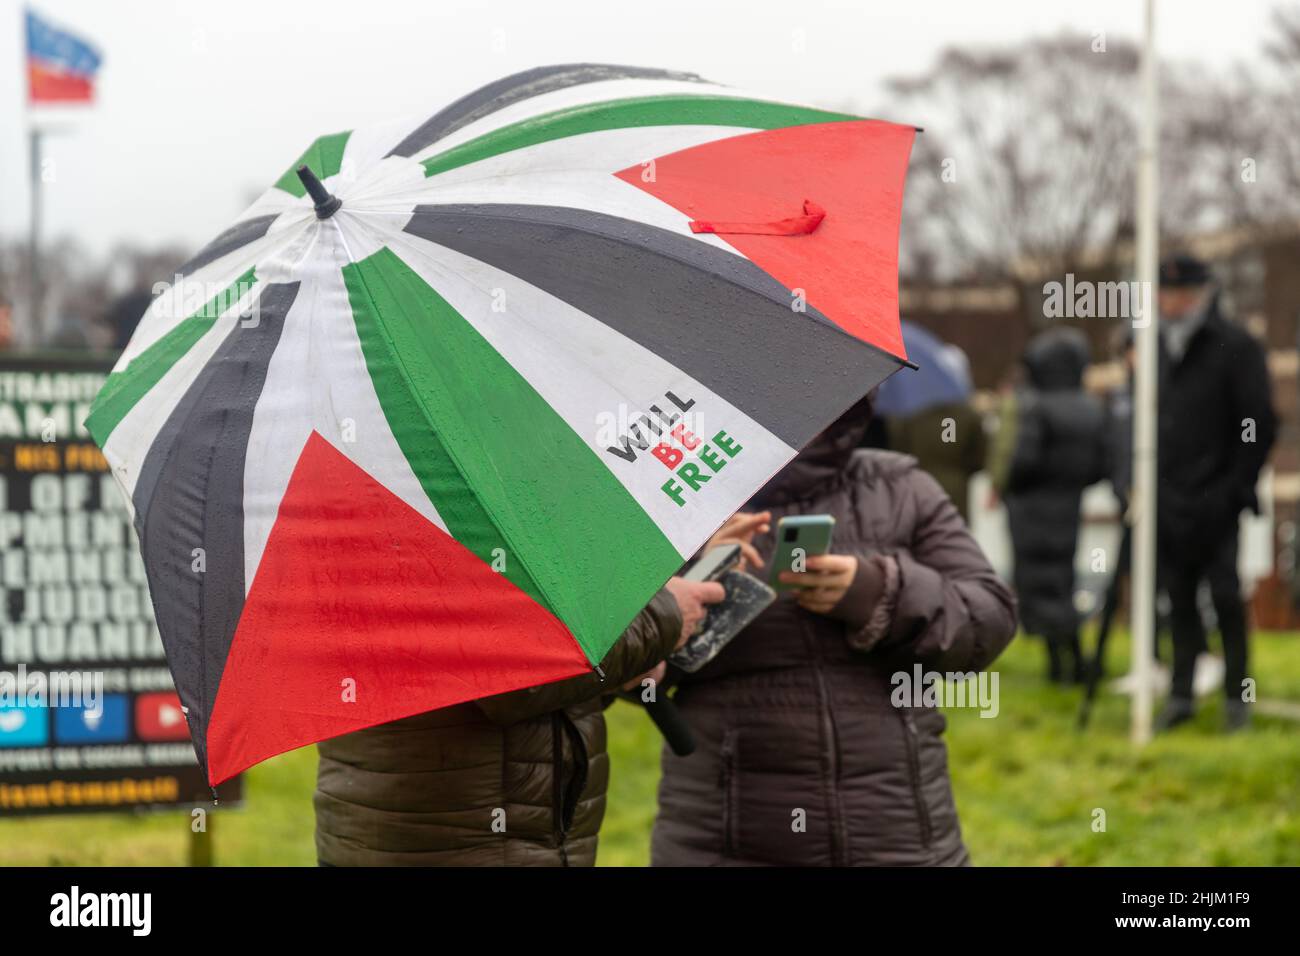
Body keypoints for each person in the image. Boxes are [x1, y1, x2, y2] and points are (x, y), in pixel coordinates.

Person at [650, 396, 1017, 866]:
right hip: (724, 837)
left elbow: (989, 620)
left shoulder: (902, 487)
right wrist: (689, 582)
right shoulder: (680, 498)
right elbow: (613, 663)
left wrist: (879, 592)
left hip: (896, 832)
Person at [314, 576, 723, 865]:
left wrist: (621, 662)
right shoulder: (444, 502)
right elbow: (514, 673)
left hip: (394, 831)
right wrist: (664, 615)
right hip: (470, 841)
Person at [1153, 254, 1276, 733]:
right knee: (1177, 600)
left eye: (1177, 294)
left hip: (1218, 501)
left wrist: (1232, 487)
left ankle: (1236, 698)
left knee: (1226, 597)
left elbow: (1259, 423)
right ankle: (1181, 694)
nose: (1170, 303)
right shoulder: (1157, 347)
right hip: (1170, 499)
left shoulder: (1237, 346)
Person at [1002, 328, 1109, 684]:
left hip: (1032, 512)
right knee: (1062, 583)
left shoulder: (1037, 407)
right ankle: (1076, 660)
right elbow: (1100, 465)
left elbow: (1022, 461)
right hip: (1068, 508)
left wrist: (1010, 486)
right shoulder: (1091, 408)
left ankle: (1058, 668)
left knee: (1039, 586)